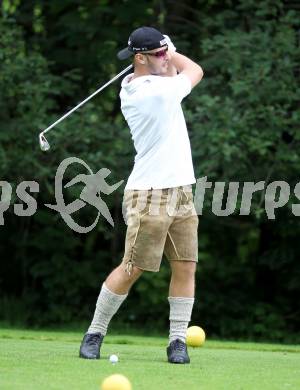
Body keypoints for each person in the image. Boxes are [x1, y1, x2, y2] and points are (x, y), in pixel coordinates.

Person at [79, 26, 203, 364]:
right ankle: (95, 332)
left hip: (181, 190)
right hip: (150, 193)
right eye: (159, 54)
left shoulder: (156, 82)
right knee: (133, 266)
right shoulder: (148, 92)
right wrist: (171, 49)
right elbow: (194, 70)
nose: (166, 59)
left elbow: (172, 72)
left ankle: (177, 341)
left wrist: (162, 52)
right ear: (140, 58)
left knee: (186, 266)